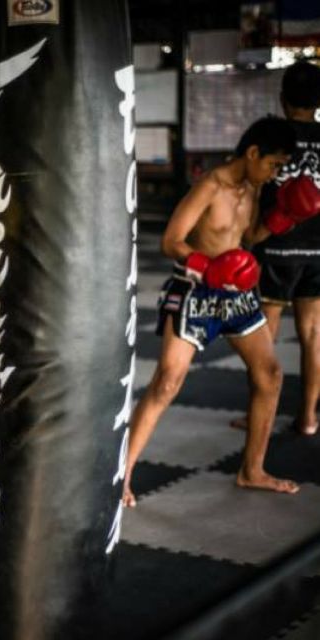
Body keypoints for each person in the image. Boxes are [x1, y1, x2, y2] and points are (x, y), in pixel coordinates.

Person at [122, 117, 301, 508]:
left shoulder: (254, 189)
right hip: (197, 290)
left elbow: (246, 239)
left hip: (236, 293)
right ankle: (124, 474)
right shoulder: (210, 186)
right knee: (167, 382)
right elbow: (172, 241)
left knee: (270, 374)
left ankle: (252, 470)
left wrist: (281, 219)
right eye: (272, 164)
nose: (274, 174)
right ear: (253, 152)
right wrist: (208, 266)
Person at [241, 61, 320, 436]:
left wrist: (251, 233)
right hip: (318, 251)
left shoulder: (274, 134)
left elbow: (252, 187)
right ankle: (308, 417)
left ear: (283, 98)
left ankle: (258, 416)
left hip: (276, 247)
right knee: (313, 335)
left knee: (264, 335)